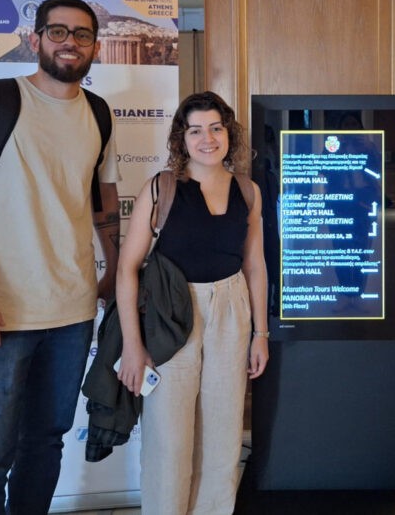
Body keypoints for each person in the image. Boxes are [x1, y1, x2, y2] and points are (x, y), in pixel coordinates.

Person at [0, 0, 120, 514]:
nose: (69, 42)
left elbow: (103, 197)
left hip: (71, 311)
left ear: (95, 47)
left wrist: (112, 269)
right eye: (58, 31)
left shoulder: (99, 113)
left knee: (44, 444)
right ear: (35, 39)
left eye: (82, 34)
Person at [115, 91, 269, 514]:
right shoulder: (161, 188)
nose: (207, 139)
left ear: (229, 133)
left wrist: (260, 333)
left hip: (232, 308)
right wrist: (133, 345)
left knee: (222, 435)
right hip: (172, 314)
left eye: (216, 128)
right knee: (169, 437)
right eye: (196, 130)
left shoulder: (247, 191)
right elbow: (127, 269)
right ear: (181, 139)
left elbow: (255, 265)